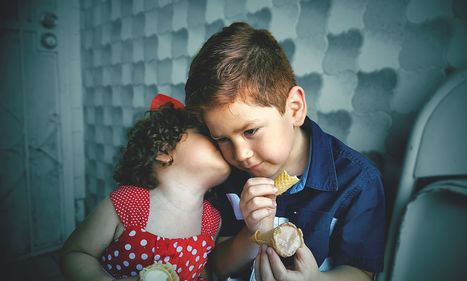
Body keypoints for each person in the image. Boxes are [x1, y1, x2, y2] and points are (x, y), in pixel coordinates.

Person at [184, 22, 386, 281]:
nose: (241, 154)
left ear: (294, 108)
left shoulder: (358, 181)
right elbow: (217, 268)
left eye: (250, 131)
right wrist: (251, 232)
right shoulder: (225, 175)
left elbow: (361, 273)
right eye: (222, 138)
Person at [61, 95, 231, 281]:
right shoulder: (128, 202)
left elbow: (202, 274)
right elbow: (76, 253)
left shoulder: (212, 221)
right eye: (205, 134)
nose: (221, 143)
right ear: (164, 150)